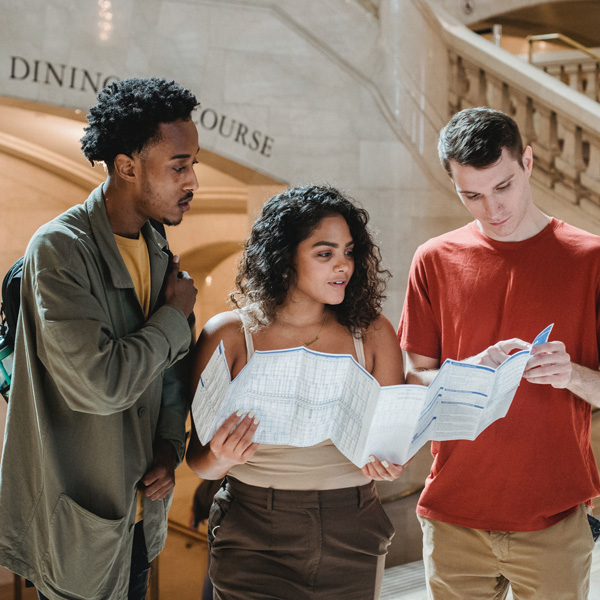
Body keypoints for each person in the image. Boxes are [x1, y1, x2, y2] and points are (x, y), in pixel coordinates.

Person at [0, 77, 200, 600]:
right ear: (127, 165)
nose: (193, 180)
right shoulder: (60, 249)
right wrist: (175, 317)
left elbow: (171, 370)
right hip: (78, 532)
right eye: (179, 165)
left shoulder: (158, 247)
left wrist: (168, 445)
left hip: (141, 523)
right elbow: (98, 384)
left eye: (193, 164)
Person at [398, 106, 600, 600]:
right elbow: (411, 379)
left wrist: (570, 373)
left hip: (553, 520)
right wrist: (465, 373)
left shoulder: (590, 260)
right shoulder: (433, 259)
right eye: (472, 195)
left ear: (527, 162)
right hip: (452, 518)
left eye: (503, 186)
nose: (492, 209)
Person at [186, 184, 405, 599]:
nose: (343, 265)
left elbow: (391, 447)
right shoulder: (229, 335)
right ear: (285, 257)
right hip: (252, 528)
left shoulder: (373, 333)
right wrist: (219, 457)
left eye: (349, 252)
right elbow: (198, 462)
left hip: (352, 528)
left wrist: (390, 463)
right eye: (325, 254)